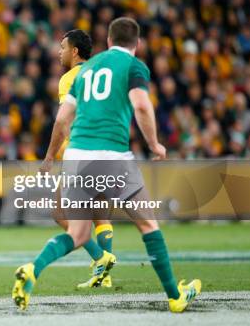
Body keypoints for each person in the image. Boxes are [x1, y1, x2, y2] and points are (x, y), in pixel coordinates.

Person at [12, 17, 201, 313]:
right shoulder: (134, 67)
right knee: (148, 223)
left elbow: (62, 120)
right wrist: (154, 144)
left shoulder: (86, 70)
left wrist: (50, 157)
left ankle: (33, 269)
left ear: (109, 41)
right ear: (136, 44)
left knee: (77, 234)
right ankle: (175, 296)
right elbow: (140, 105)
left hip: (76, 156)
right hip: (111, 154)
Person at [55, 29, 116, 289]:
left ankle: (100, 257)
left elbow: (64, 120)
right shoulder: (101, 73)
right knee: (101, 213)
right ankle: (105, 276)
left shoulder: (69, 78)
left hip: (82, 151)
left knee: (59, 211)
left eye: (62, 47)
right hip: (108, 148)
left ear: (74, 51)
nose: (59, 52)